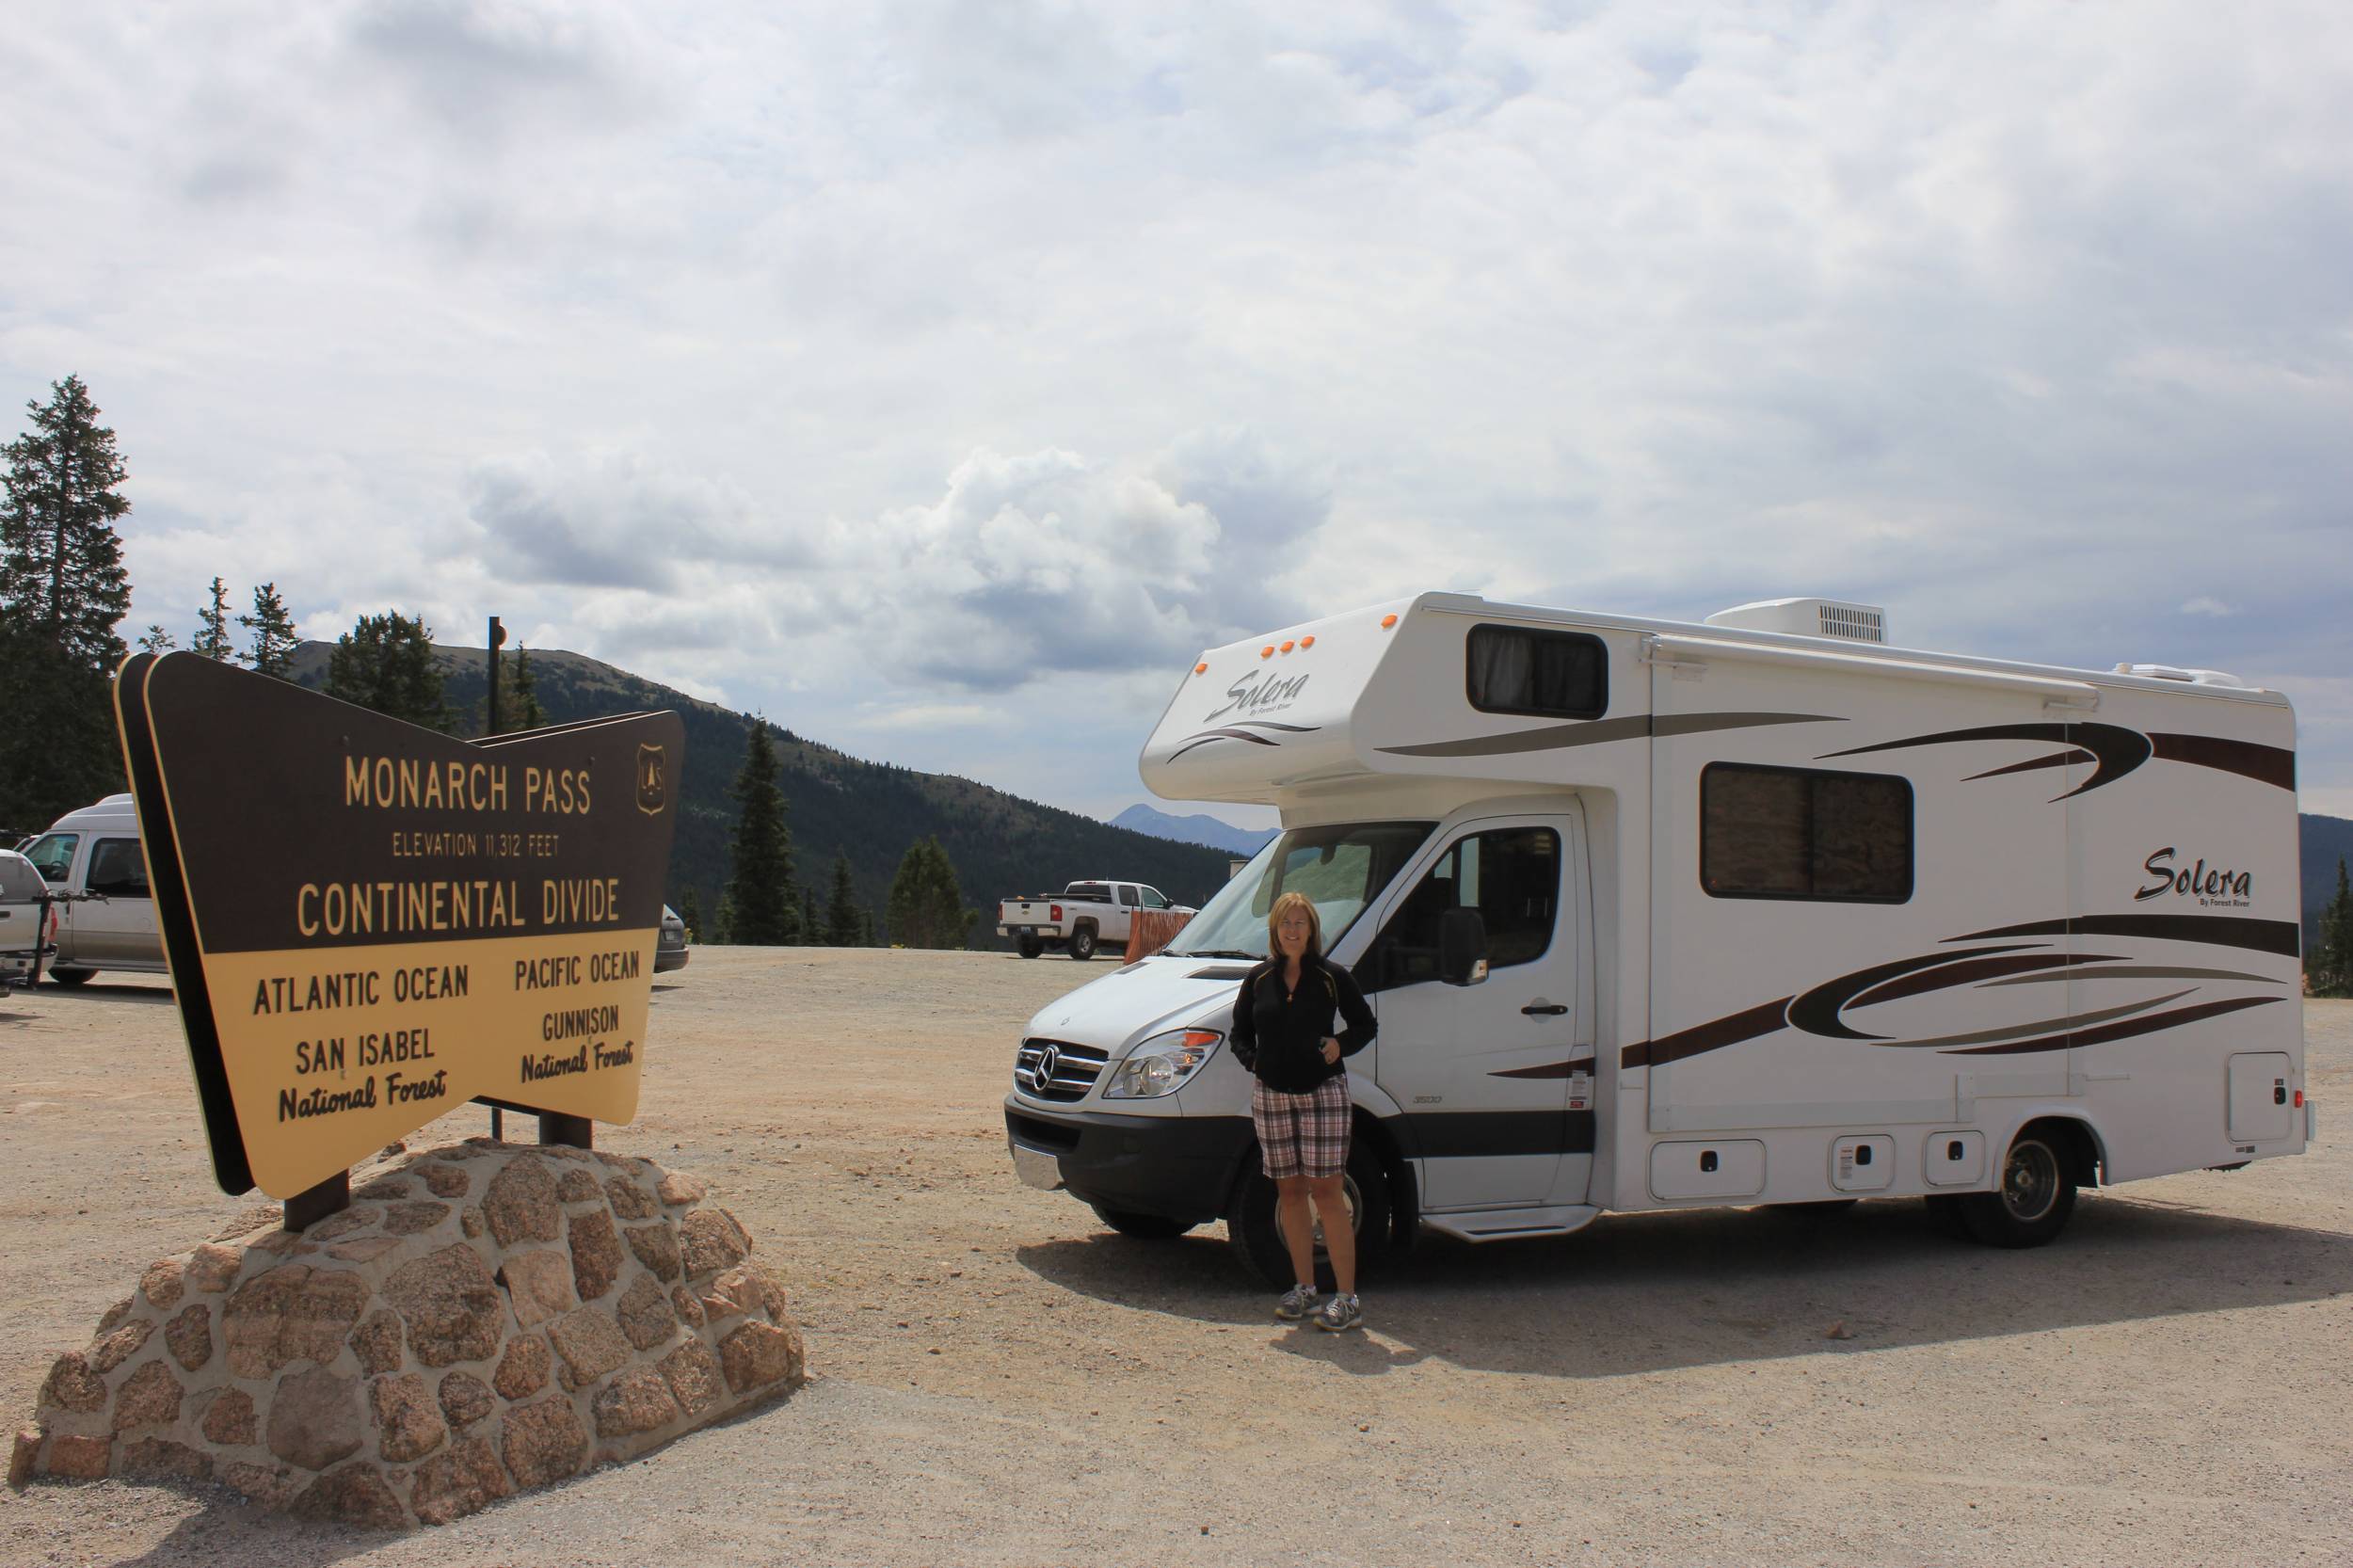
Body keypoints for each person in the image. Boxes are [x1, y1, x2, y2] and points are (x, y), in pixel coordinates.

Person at [1228, 889, 1377, 1331]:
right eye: (1285, 923)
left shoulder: (1332, 977)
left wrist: (1339, 1045)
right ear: (1275, 930)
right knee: (1289, 1193)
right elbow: (1239, 1034)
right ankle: (1305, 1289)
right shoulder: (1258, 979)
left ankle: (1347, 1298)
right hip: (1271, 1096)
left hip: (1323, 1093)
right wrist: (1255, 1062)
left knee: (1328, 1193)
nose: (1293, 931)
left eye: (1301, 923)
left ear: (1312, 930)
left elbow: (1366, 1025)